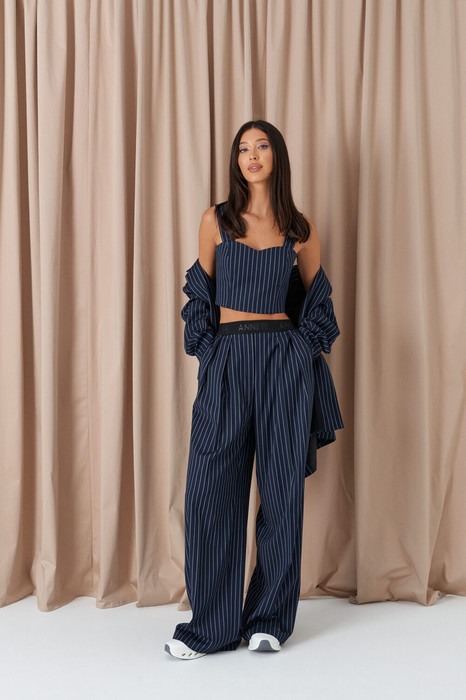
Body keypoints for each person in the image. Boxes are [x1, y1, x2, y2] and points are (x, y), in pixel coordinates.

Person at [165, 120, 343, 660]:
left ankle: (268, 619)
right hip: (228, 359)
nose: (252, 155)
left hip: (283, 363)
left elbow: (318, 304)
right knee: (210, 491)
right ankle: (212, 626)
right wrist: (211, 352)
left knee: (282, 493)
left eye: (261, 145)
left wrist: (298, 353)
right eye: (243, 148)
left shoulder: (299, 229)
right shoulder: (216, 220)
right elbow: (200, 297)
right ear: (236, 160)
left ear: (276, 155)